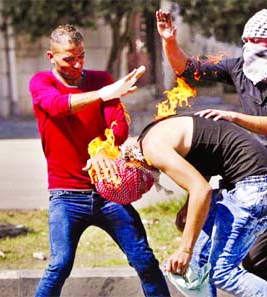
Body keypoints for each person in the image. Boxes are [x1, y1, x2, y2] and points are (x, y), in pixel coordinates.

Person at [156, 8, 267, 297]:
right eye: (246, 40)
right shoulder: (239, 67)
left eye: (256, 40)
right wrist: (169, 41)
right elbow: (187, 70)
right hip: (263, 176)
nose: (249, 47)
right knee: (254, 257)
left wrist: (233, 117)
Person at [29, 24, 170, 297]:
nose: (77, 63)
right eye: (68, 58)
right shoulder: (41, 82)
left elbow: (119, 125)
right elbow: (57, 106)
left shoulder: (100, 79)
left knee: (145, 261)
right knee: (59, 265)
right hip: (66, 196)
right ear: (51, 57)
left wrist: (104, 149)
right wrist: (103, 94)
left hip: (109, 193)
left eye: (81, 56)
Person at [133, 114, 267, 296]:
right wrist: (189, 206)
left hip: (256, 184)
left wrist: (184, 249)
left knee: (221, 272)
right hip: (246, 182)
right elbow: (204, 154)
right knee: (196, 266)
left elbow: (201, 190)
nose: (150, 184)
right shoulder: (150, 135)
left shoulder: (153, 149)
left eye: (143, 184)